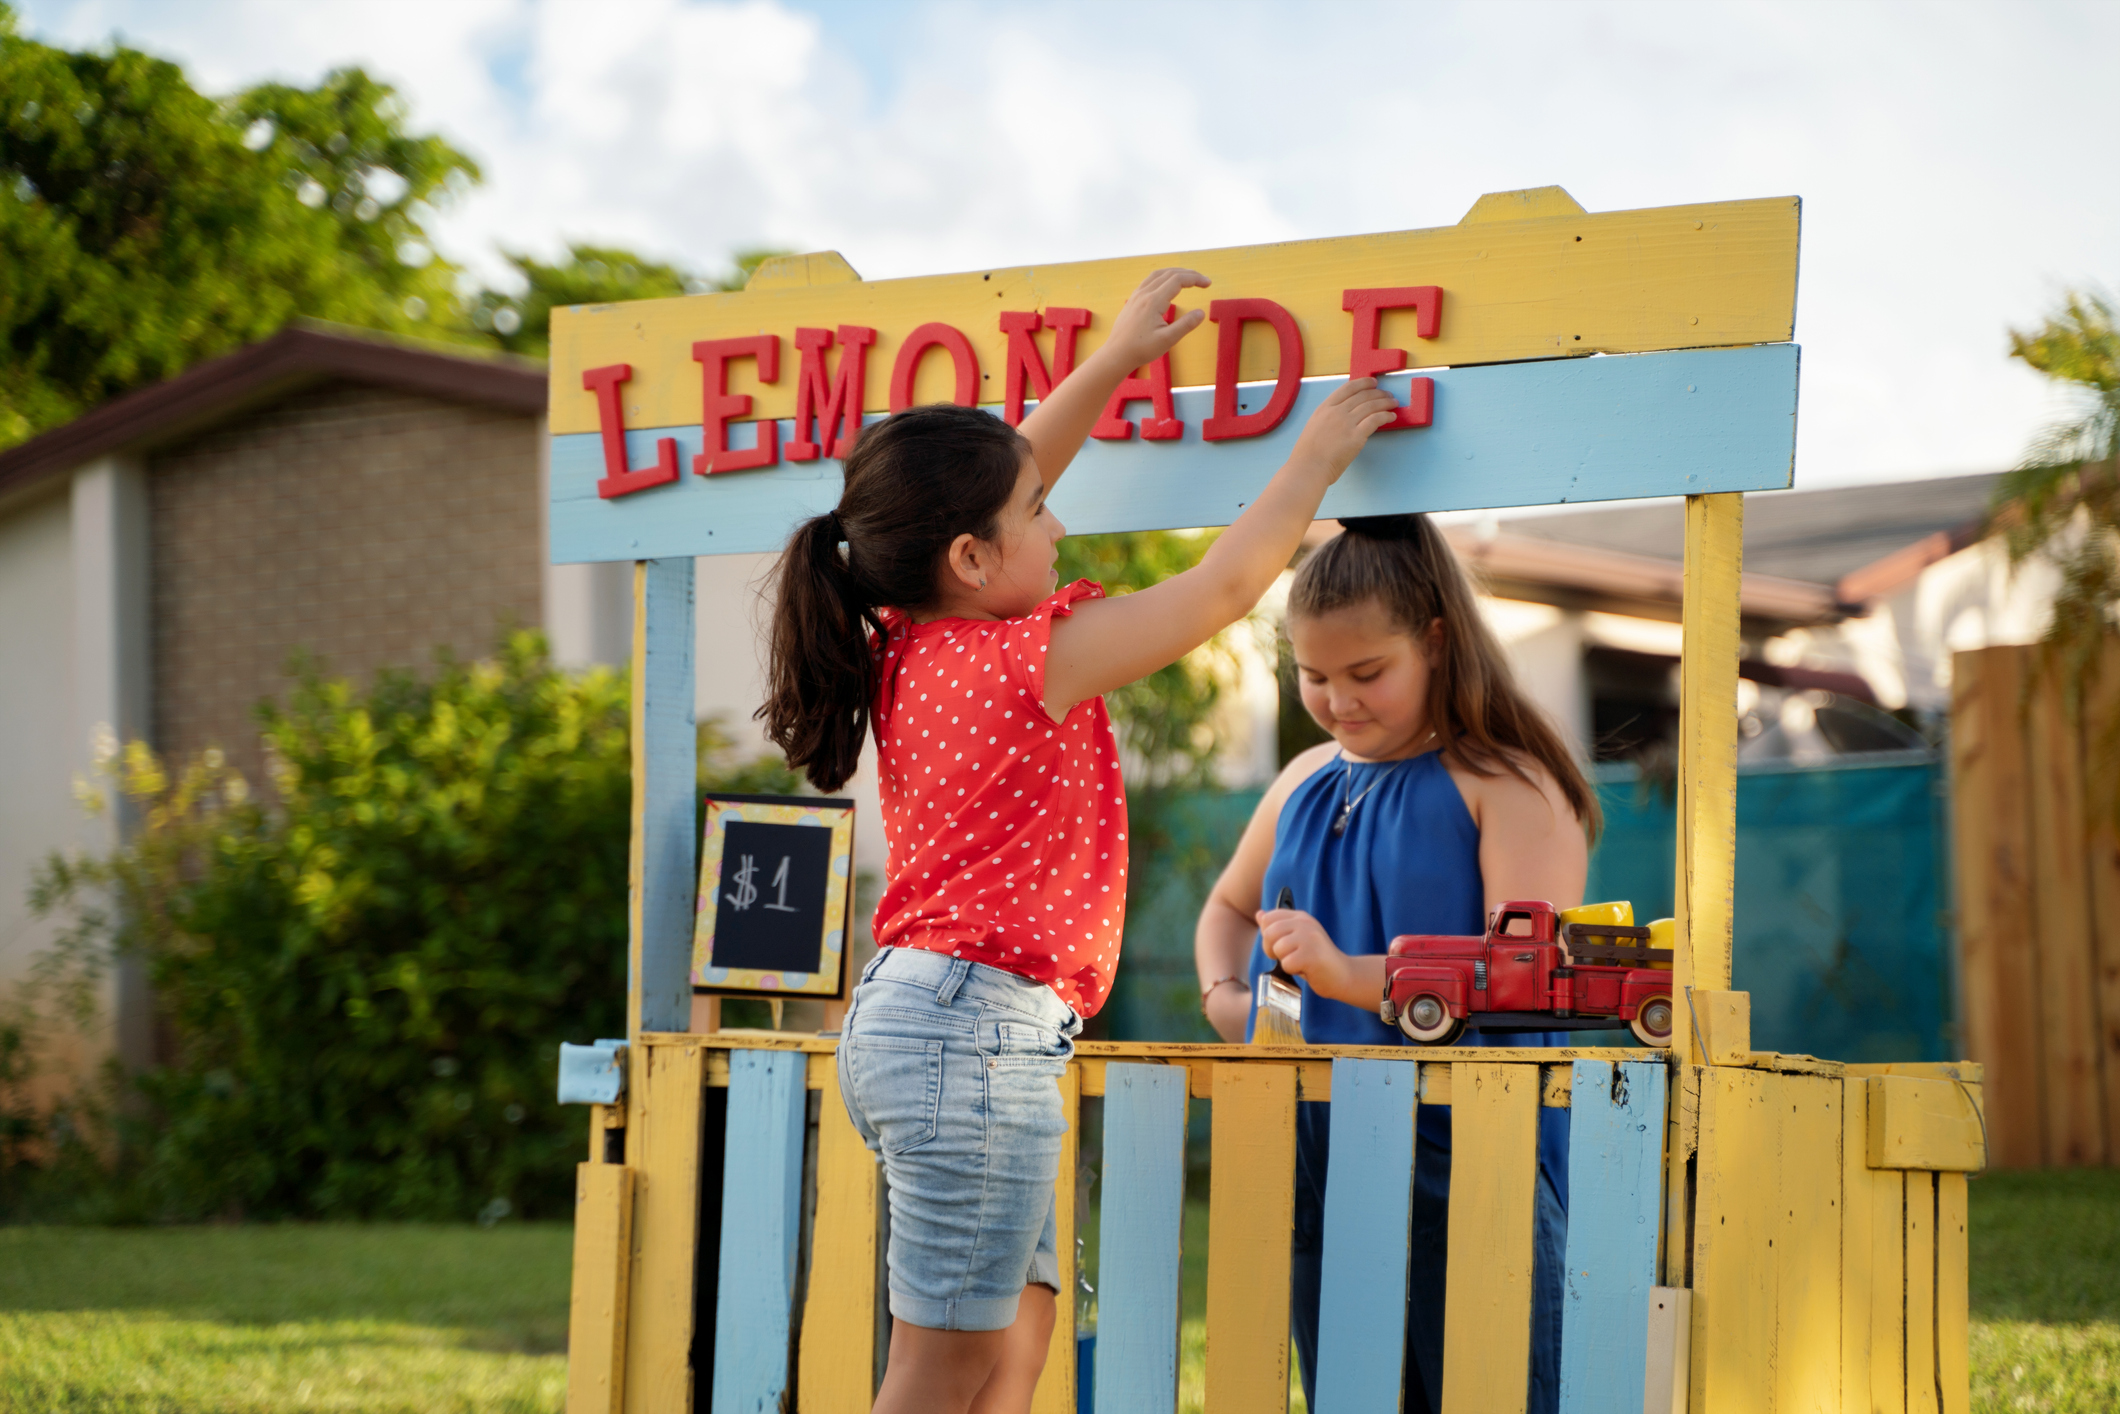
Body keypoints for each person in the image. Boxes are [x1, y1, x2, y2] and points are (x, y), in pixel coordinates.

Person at [760, 266, 1402, 1414]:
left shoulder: (912, 633)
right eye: (1037, 514)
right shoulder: (1025, 659)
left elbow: (1010, 470)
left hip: (941, 1025)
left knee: (1017, 1336)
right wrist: (1314, 458)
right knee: (943, 1365)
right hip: (971, 1034)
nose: (1056, 519)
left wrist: (1112, 362)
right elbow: (1219, 589)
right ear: (969, 557)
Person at [1193, 513, 1601, 1414]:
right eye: (1313, 676)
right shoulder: (1303, 777)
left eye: (1367, 673)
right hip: (1319, 1151)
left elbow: (1524, 976)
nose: (1339, 700)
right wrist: (1229, 999)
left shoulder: (1510, 782)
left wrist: (1350, 976)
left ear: (1437, 642)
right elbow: (1227, 908)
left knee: (1491, 1388)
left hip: (1471, 1156)